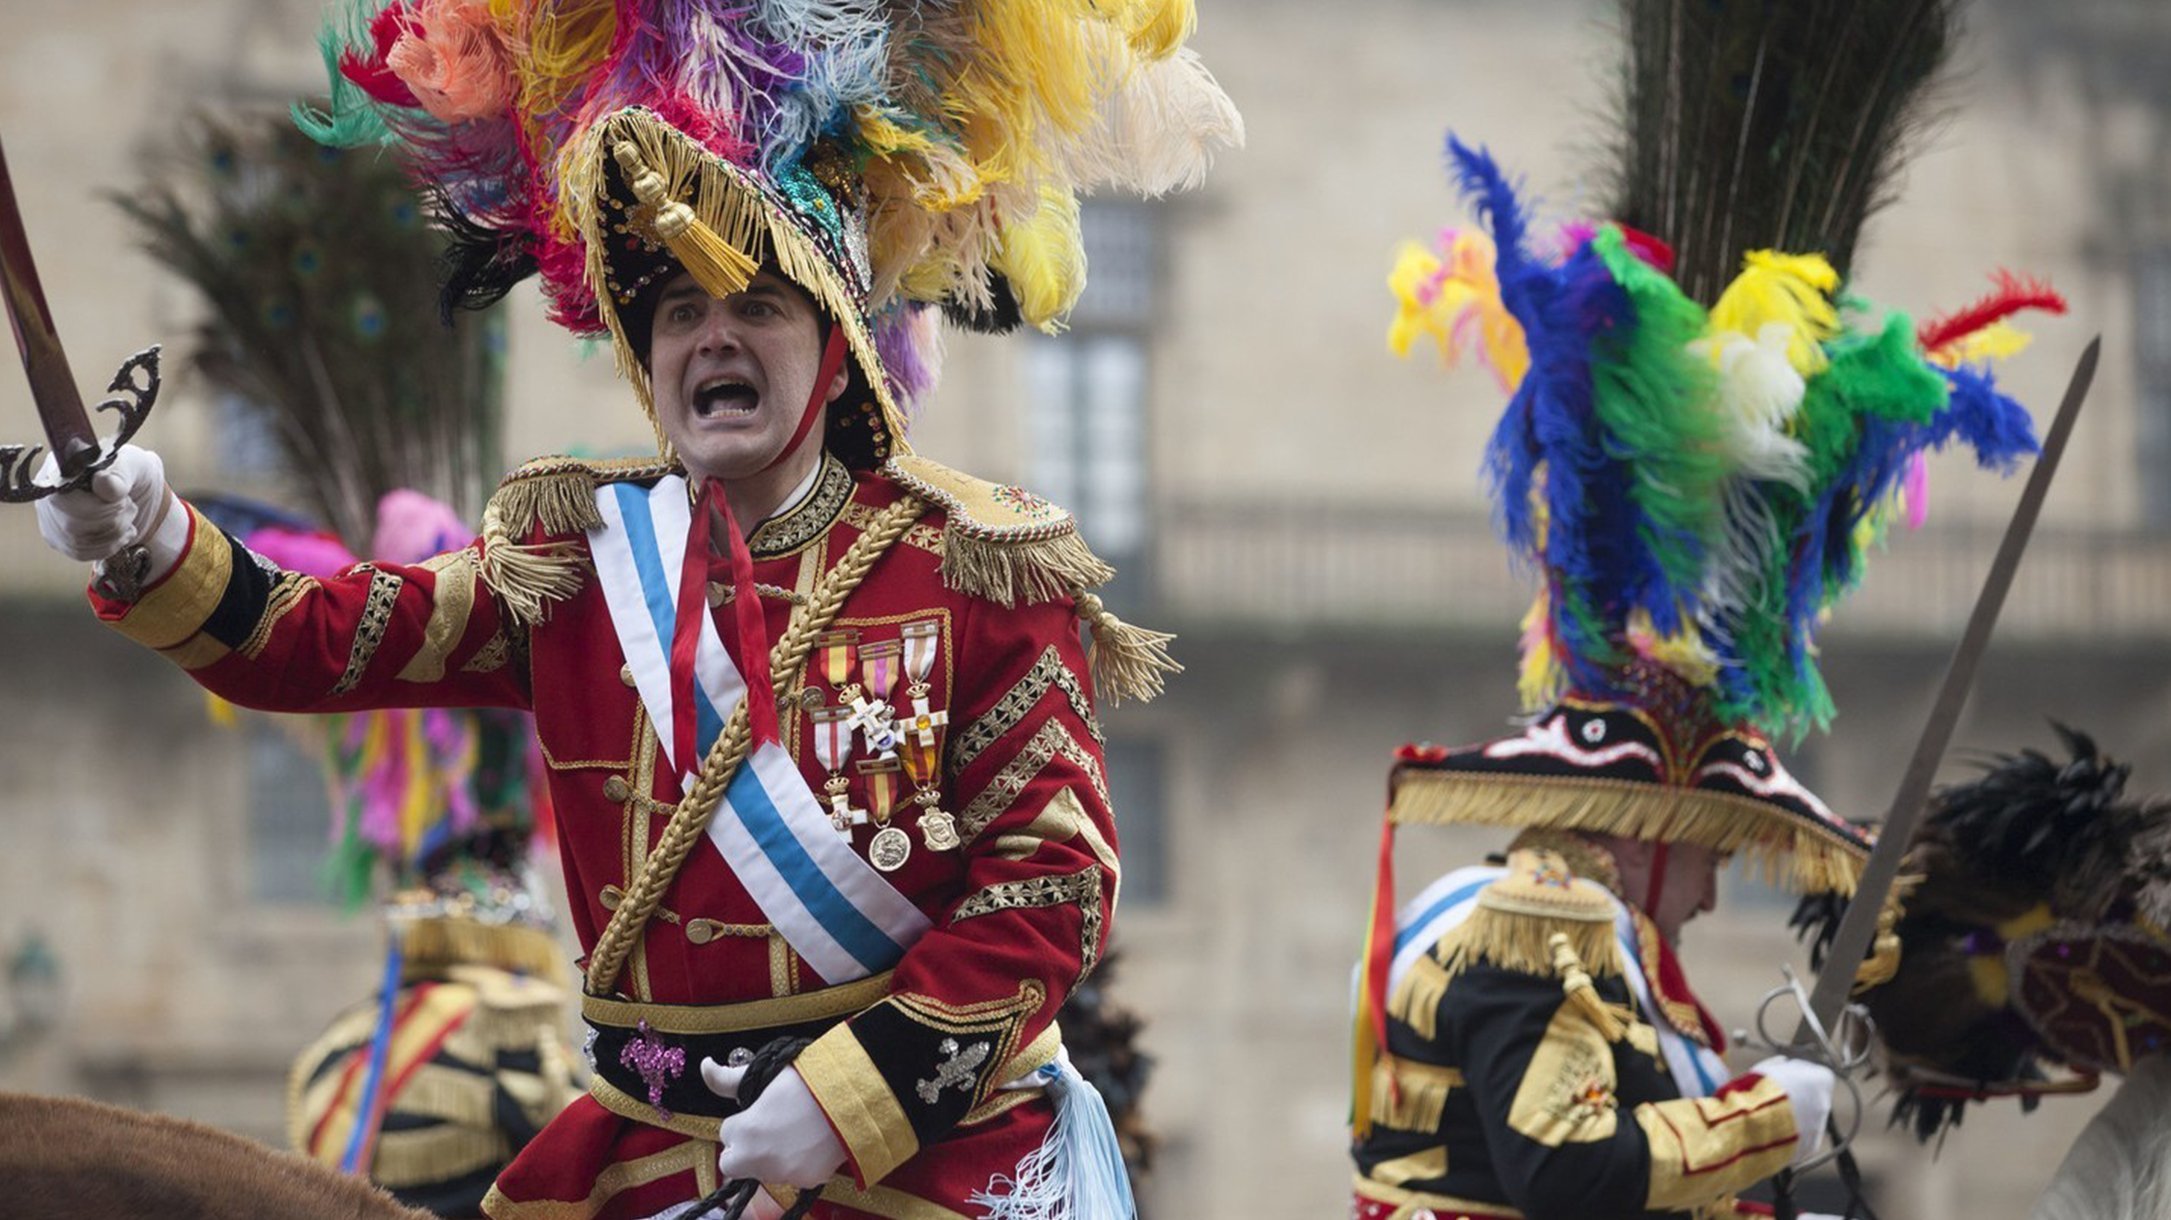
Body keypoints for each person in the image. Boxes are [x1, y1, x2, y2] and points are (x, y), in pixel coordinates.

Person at [32, 3, 1240, 1218]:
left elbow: (1049, 883)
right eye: (678, 313)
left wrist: (853, 1095)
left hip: (920, 1161)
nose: (713, 338)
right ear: (647, 358)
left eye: (755, 304)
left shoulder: (974, 566)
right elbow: (318, 641)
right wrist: (148, 539)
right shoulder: (576, 563)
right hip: (645, 1155)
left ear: (832, 344)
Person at [1351, 3, 2065, 1215]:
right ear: (1646, 824)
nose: (1709, 892)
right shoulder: (1544, 922)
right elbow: (1568, 1174)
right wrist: (1765, 1114)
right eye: (1711, 849)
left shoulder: (1599, 942)